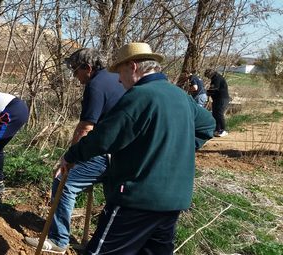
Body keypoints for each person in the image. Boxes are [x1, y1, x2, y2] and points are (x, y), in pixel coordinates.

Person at [57, 42, 215, 254]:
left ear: (132, 66)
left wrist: (71, 155)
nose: (119, 80)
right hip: (174, 200)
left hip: (138, 198)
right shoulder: (179, 95)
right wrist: (177, 148)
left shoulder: (140, 96)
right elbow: (208, 126)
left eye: (120, 73)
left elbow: (104, 139)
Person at [23, 48, 126, 253]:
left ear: (88, 68)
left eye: (75, 70)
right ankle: (99, 245)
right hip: (124, 154)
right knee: (112, 198)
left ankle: (58, 240)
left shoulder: (95, 85)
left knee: (63, 181)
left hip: (107, 153)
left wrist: (69, 158)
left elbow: (86, 127)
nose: (74, 75)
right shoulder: (116, 79)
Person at [204, 69, 231, 137]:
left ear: (210, 74)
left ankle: (223, 130)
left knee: (219, 114)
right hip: (217, 99)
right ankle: (217, 129)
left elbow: (214, 89)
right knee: (215, 114)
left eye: (207, 76)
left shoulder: (217, 78)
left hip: (222, 99)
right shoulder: (215, 78)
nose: (208, 78)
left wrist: (207, 92)